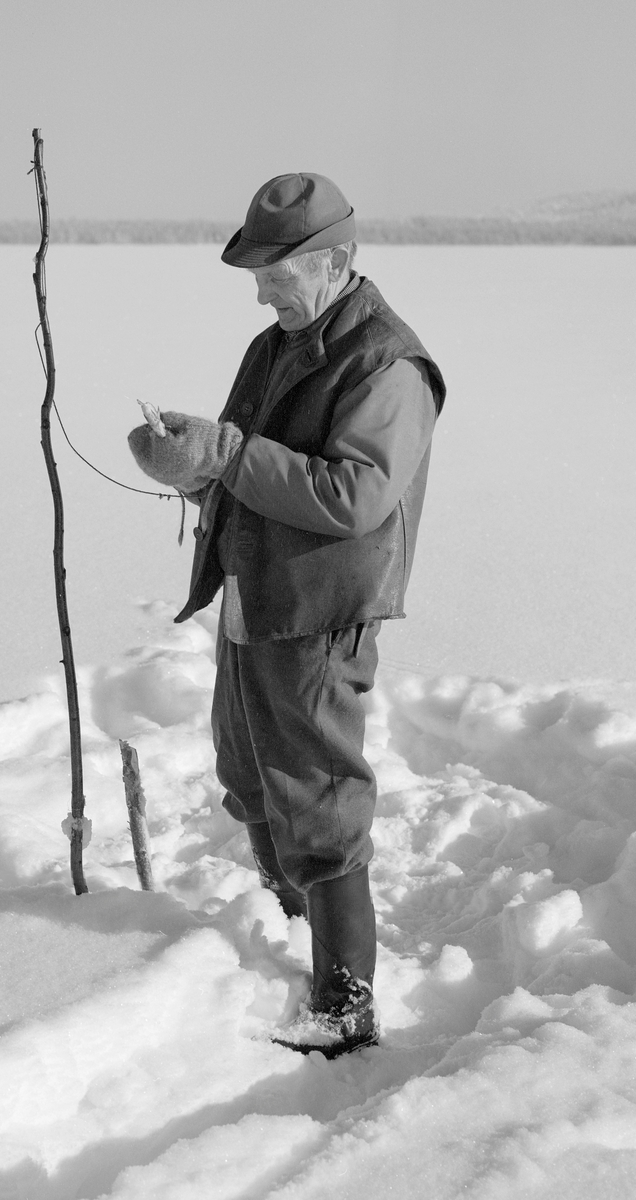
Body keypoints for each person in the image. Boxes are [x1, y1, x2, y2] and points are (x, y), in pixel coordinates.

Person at [128, 173, 446, 1058]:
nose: (263, 292)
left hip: (320, 609)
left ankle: (347, 1006)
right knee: (248, 773)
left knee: (319, 799)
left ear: (338, 259)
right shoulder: (276, 345)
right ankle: (294, 923)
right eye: (258, 275)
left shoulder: (388, 363)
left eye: (278, 273)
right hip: (255, 592)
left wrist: (227, 452)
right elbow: (245, 462)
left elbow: (356, 498)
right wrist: (189, 465)